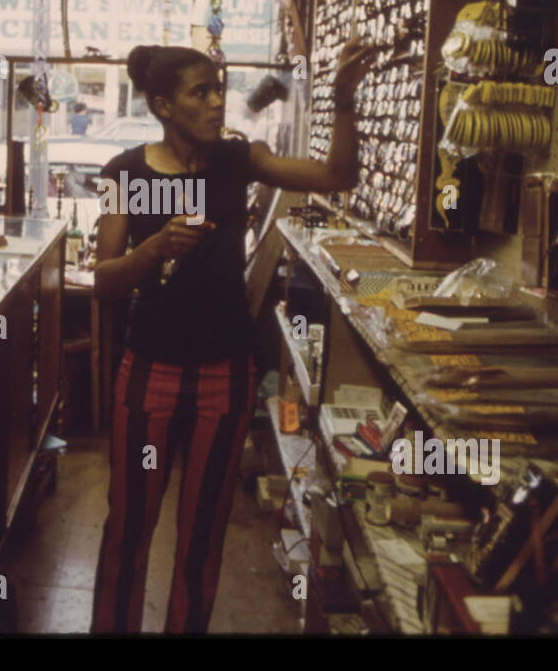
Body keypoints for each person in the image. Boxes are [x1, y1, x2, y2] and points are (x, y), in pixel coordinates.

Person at [90, 39, 369, 634]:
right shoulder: (126, 174)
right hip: (149, 373)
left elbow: (339, 176)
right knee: (128, 529)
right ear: (164, 105)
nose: (218, 103)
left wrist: (343, 100)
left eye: (219, 89)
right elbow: (105, 282)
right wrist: (153, 249)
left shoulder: (238, 161)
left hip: (225, 373)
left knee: (202, 537)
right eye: (201, 93)